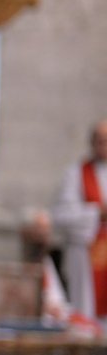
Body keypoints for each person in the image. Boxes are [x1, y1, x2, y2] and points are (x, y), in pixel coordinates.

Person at [52, 119, 107, 321]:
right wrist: (96, 214)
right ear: (91, 143)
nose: (104, 145)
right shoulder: (76, 174)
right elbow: (60, 215)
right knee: (86, 313)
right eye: (99, 140)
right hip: (86, 254)